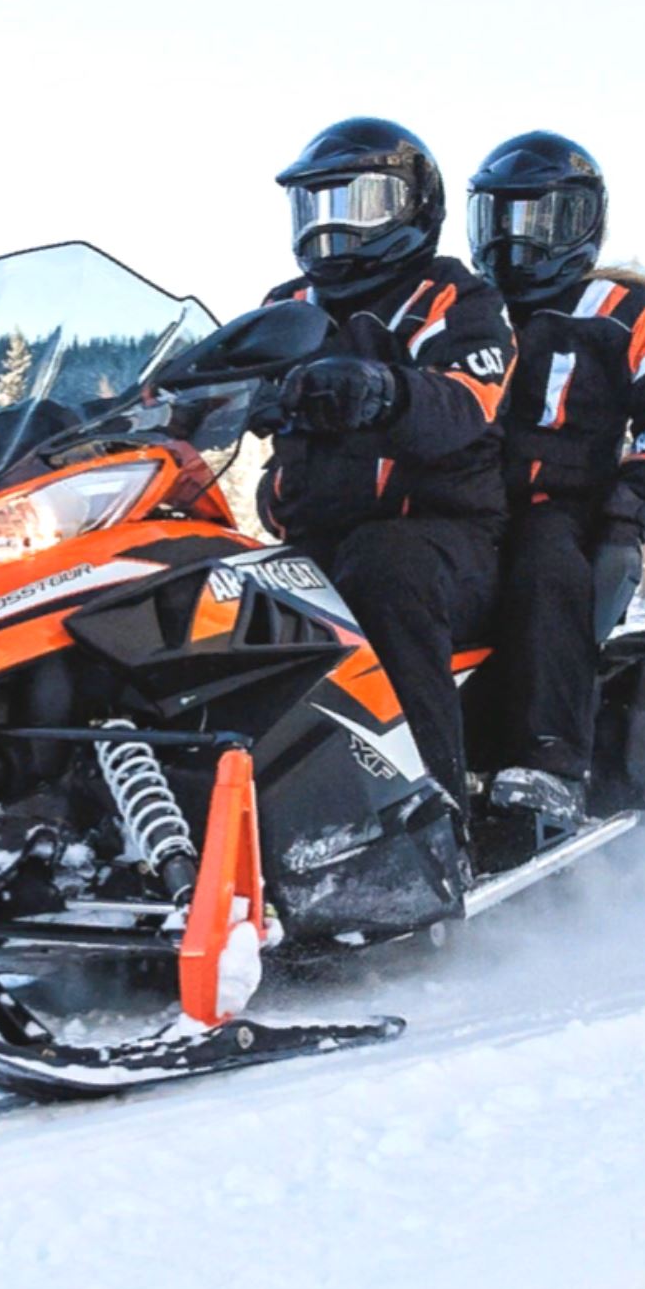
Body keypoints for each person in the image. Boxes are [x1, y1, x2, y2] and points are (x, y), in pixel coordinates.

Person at [256, 117, 515, 819]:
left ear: (410, 206)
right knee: (229, 602)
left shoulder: (455, 299)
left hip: (445, 540)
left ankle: (432, 813)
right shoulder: (287, 308)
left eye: (354, 203)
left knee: (384, 566)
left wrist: (384, 390)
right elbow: (208, 382)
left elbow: (466, 400)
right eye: (314, 207)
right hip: (317, 540)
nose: (327, 228)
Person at [466, 130, 645, 825]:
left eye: (535, 221)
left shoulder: (619, 310)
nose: (515, 241)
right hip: (466, 506)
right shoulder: (472, 313)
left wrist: (628, 510)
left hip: (566, 508)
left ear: (579, 222)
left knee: (544, 565)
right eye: (500, 219)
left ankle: (547, 762)